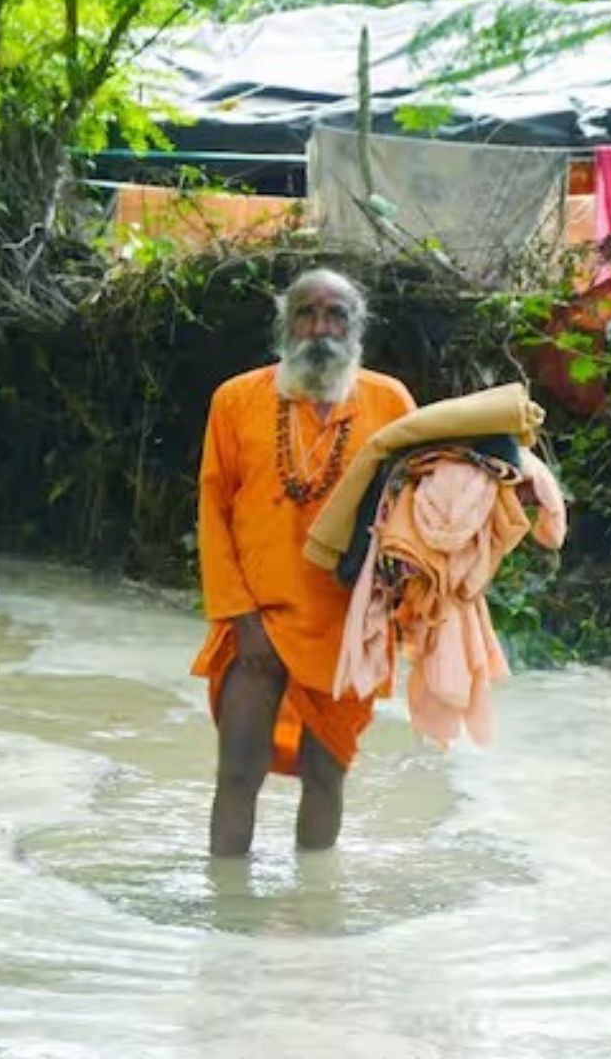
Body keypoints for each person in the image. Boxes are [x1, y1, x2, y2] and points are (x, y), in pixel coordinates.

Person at [192, 268, 417, 858]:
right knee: (238, 776)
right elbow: (213, 516)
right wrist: (241, 619)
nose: (320, 328)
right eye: (306, 313)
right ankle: (228, 924)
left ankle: (312, 926)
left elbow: (415, 515)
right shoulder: (235, 399)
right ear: (284, 324)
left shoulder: (391, 402)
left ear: (357, 325)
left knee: (326, 776)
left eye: (336, 314)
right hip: (255, 626)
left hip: (346, 630)